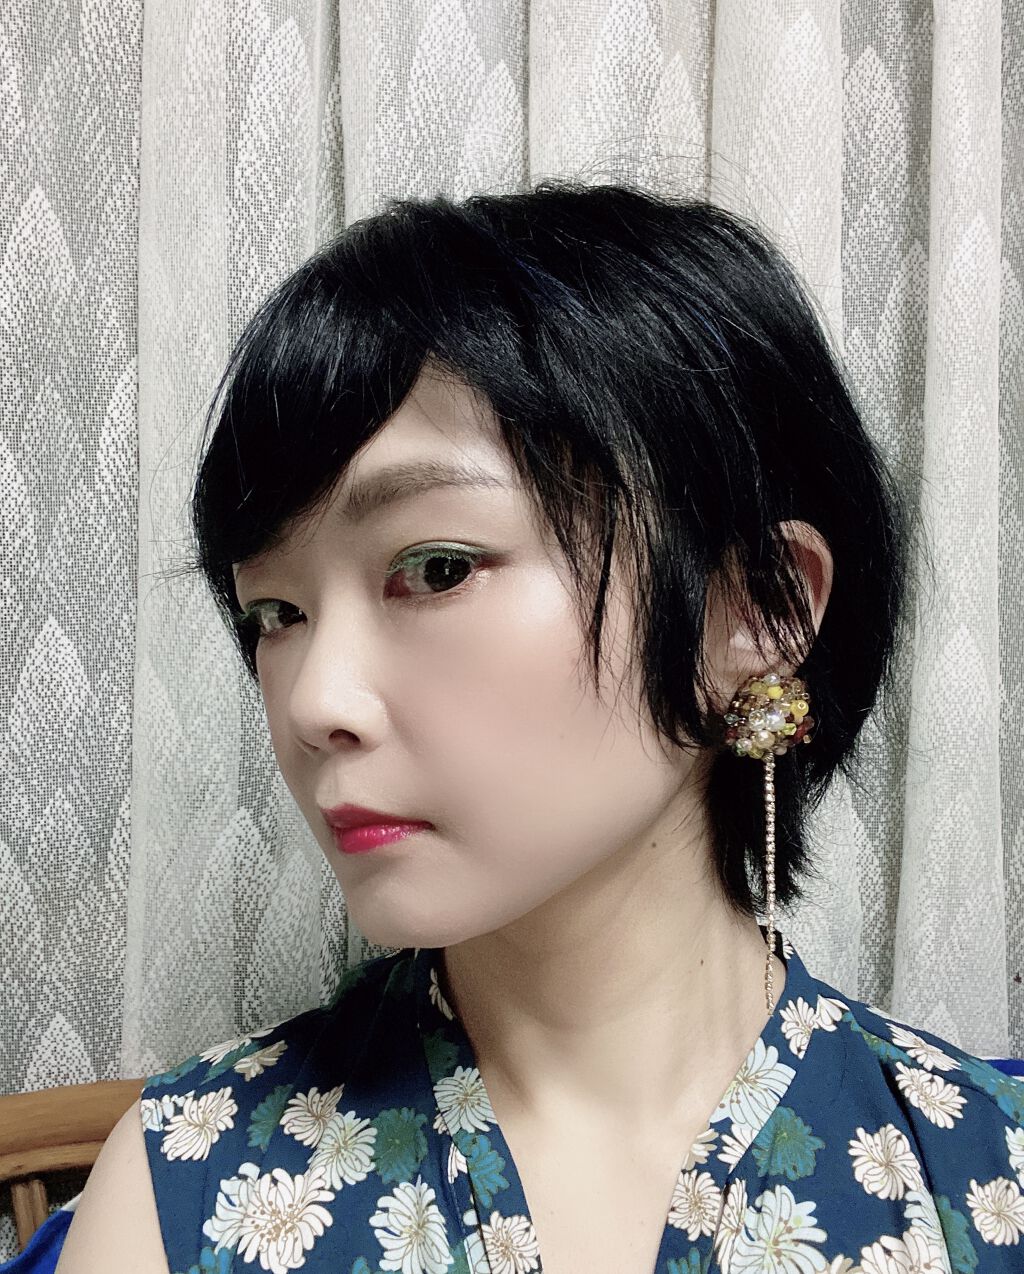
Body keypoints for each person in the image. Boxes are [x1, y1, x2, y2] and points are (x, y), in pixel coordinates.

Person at [50, 181, 1024, 1274]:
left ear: (757, 607)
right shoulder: (189, 1188)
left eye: (436, 568)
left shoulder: (984, 1174)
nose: (314, 702)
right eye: (275, 613)